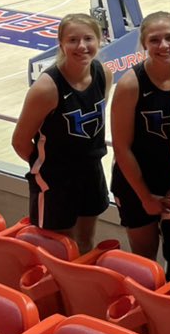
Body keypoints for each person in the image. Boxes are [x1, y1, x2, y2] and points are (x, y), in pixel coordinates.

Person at [12, 13, 112, 253]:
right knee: (58, 248)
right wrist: (49, 169)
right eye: (72, 40)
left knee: (85, 242)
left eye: (88, 38)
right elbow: (20, 142)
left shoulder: (103, 73)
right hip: (56, 181)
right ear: (61, 44)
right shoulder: (46, 88)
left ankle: (79, 288)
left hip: (91, 171)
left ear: (100, 41)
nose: (81, 46)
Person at [109, 12, 170, 276]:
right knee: (144, 261)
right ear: (144, 44)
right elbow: (121, 147)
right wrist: (145, 197)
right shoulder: (131, 84)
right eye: (154, 40)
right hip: (136, 181)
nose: (163, 45)